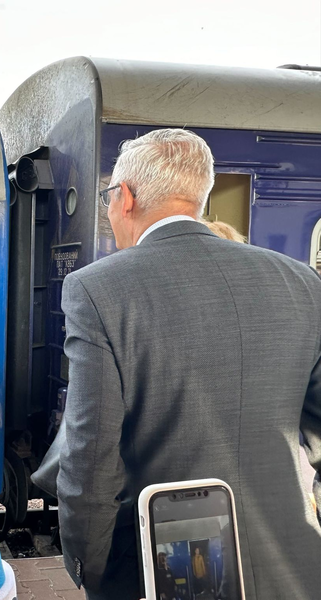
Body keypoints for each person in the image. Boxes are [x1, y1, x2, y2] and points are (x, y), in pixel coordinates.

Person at [53, 128, 321, 599]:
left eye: (107, 197)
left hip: (170, 571)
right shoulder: (302, 284)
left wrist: (91, 572)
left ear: (126, 197)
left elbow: (90, 463)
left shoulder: (97, 290)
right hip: (295, 568)